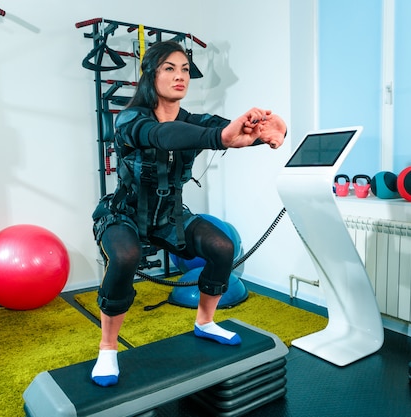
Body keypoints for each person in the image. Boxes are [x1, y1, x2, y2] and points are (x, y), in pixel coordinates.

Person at [90, 40, 287, 387]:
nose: (180, 76)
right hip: (125, 214)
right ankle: (107, 348)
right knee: (125, 256)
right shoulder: (130, 119)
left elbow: (230, 131)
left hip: (170, 218)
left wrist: (265, 132)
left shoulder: (196, 120)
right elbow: (164, 136)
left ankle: (205, 322)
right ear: (151, 75)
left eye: (184, 69)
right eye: (170, 68)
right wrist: (218, 136)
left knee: (222, 247)